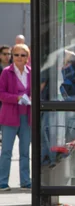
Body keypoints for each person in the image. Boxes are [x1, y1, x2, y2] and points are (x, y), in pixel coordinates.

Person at [0, 44, 31, 191]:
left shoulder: (31, 72)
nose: (19, 58)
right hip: (10, 117)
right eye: (17, 55)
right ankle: (2, 182)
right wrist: (17, 98)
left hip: (26, 117)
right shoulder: (6, 72)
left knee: (25, 151)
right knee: (6, 151)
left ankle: (25, 181)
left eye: (23, 55)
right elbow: (1, 94)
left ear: (27, 58)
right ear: (12, 56)